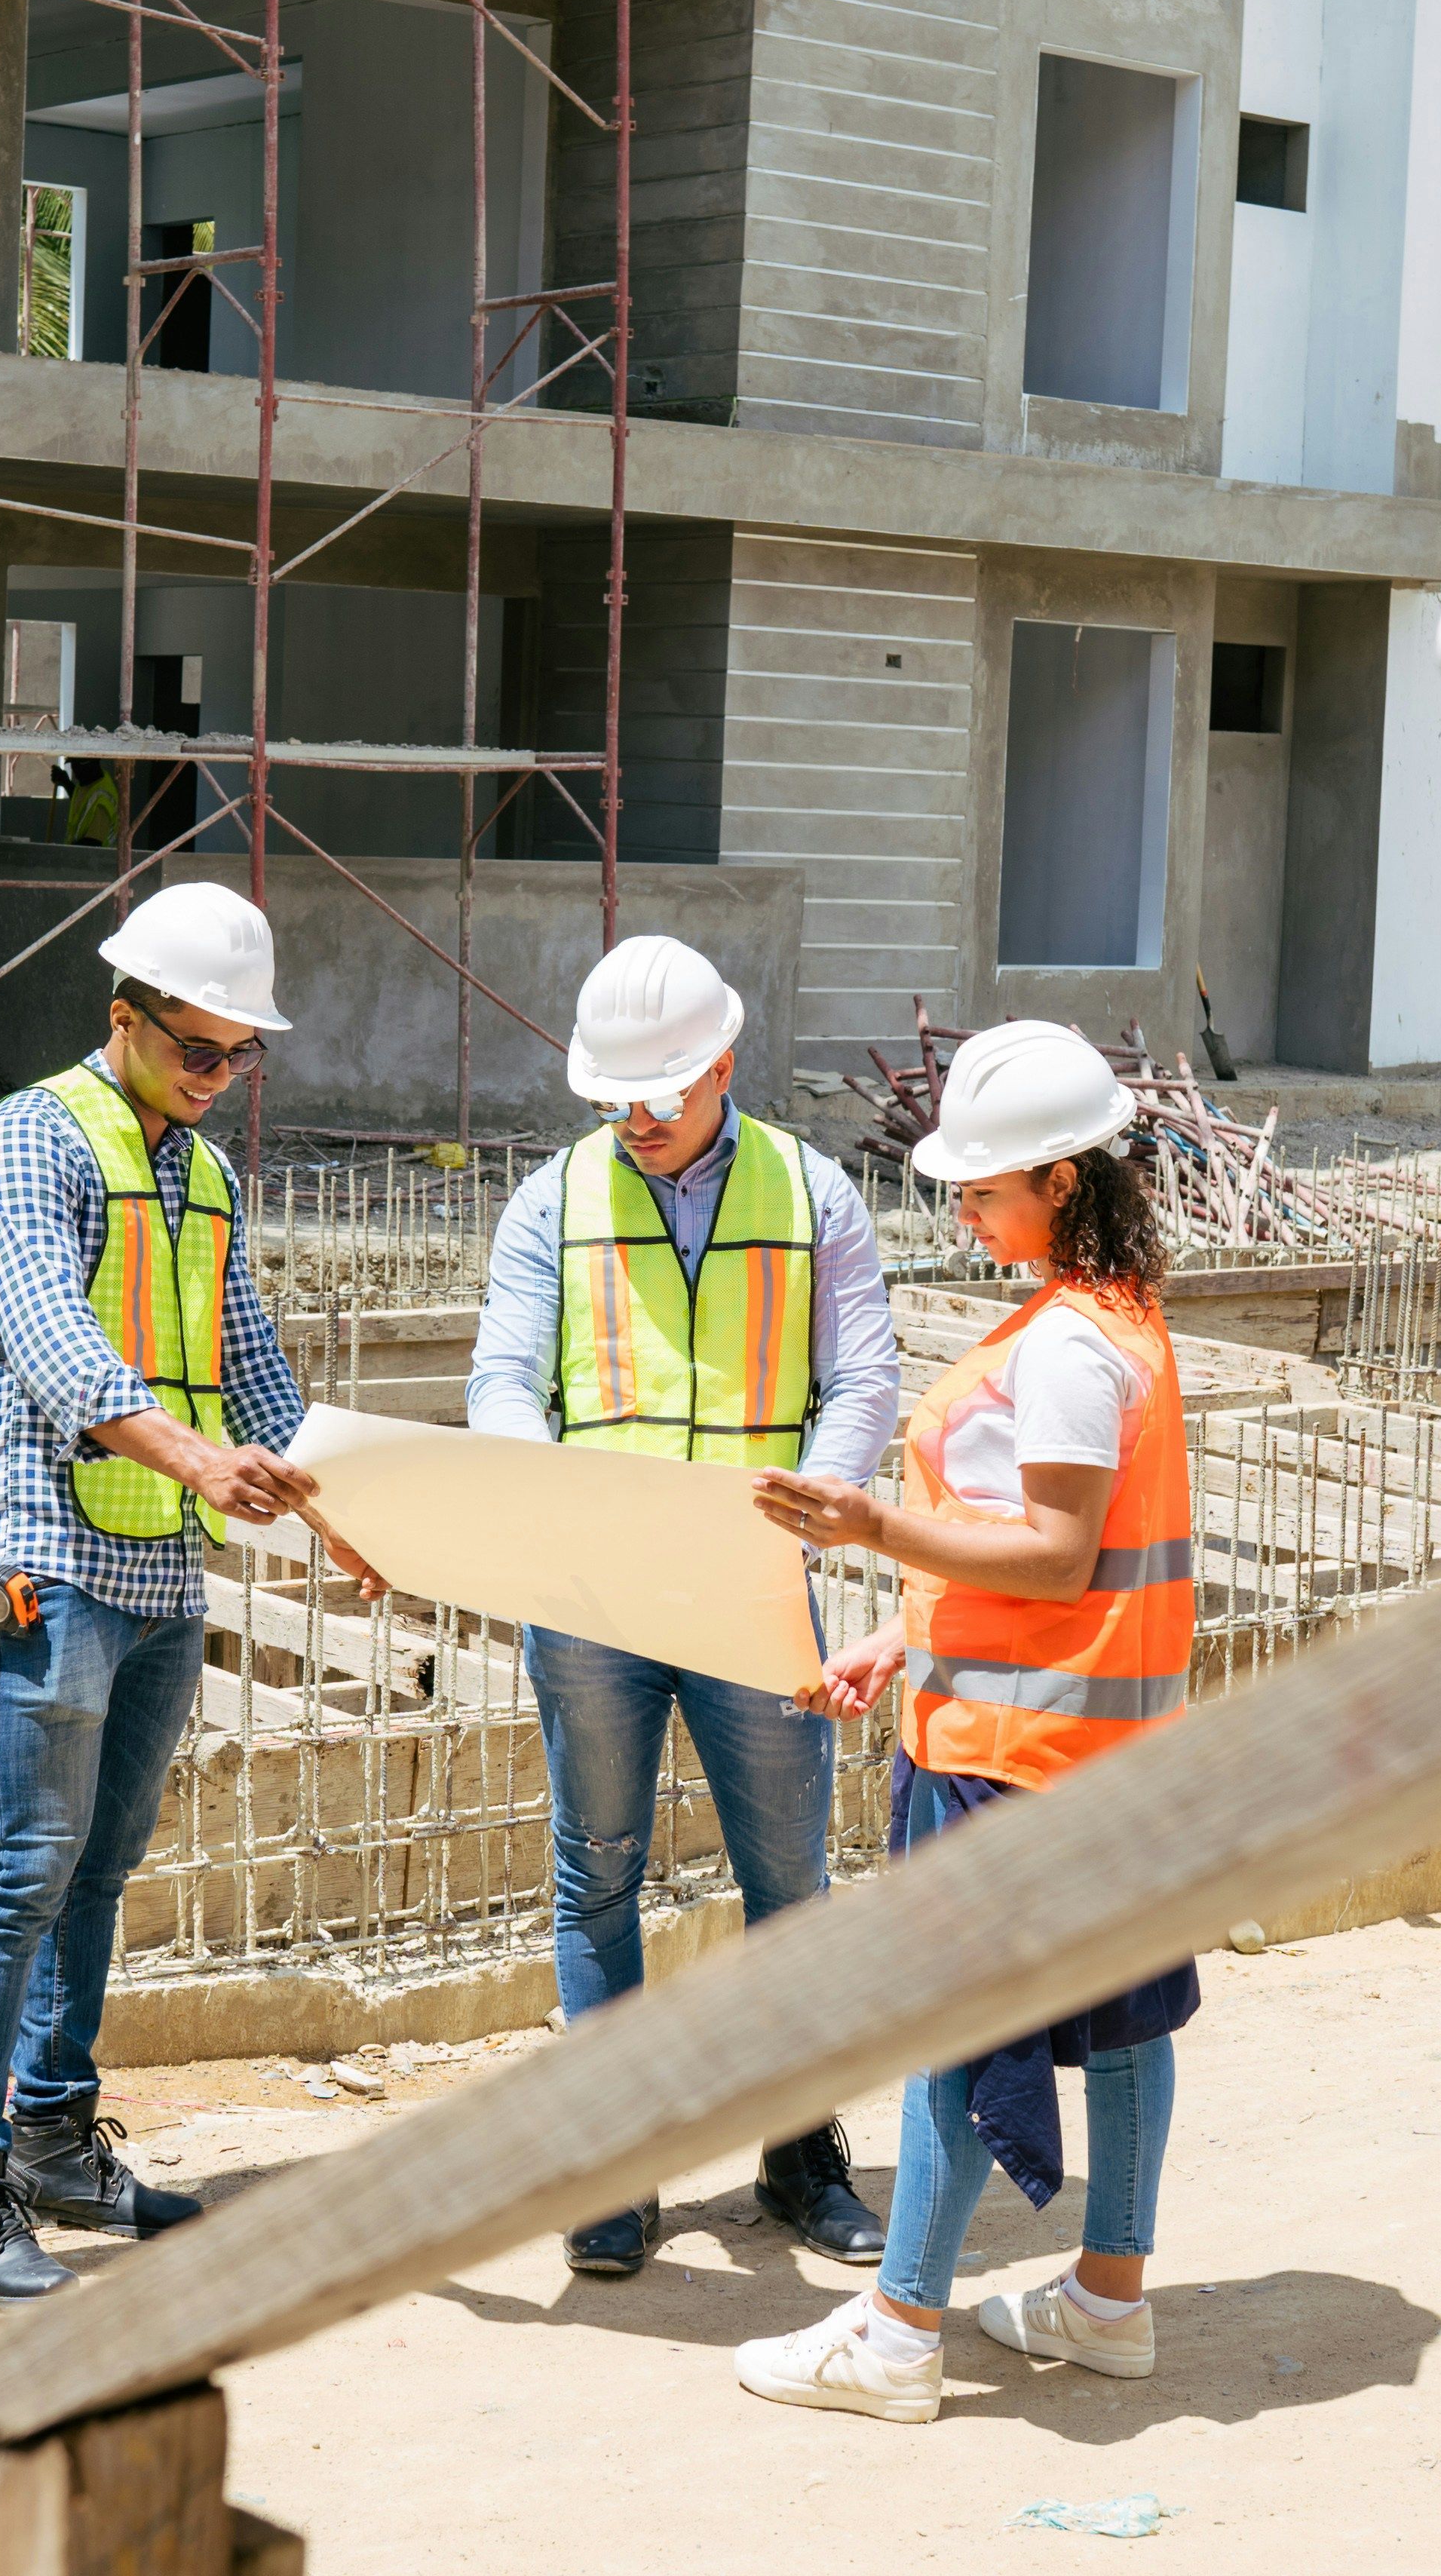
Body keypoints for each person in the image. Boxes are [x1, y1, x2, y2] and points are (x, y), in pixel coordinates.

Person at [0, 879, 378, 2308]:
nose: (221, 1078)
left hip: (158, 1553)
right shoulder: (29, 1142)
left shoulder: (208, 1179)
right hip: (40, 1547)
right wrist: (197, 1458)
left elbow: (253, 1369)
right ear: (126, 1020)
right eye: (199, 1050)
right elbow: (55, 1341)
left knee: (103, 1864)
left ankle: (56, 2139)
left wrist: (355, 1506)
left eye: (243, 1056)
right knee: (22, 1865)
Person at [726, 1018, 1195, 2421]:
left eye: (984, 1189)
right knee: (1122, 2027)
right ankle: (1108, 2304)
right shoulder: (1121, 1315)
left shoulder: (1060, 1349)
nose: (964, 1210)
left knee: (953, 2033)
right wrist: (899, 1628)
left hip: (1012, 1758)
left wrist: (876, 1522)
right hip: (1113, 1753)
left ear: (1061, 1180)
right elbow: (1058, 1552)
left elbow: (1053, 1550)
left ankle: (896, 2335)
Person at [462, 932, 905, 2276]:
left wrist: (815, 1509)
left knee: (790, 1883)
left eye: (656, 1094)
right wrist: (536, 1487)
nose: (634, 1121)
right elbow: (502, 1378)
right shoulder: (553, 1200)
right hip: (594, 1592)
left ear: (722, 1064)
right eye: (613, 1097)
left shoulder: (812, 1192)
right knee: (595, 1874)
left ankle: (796, 2150)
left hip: (749, 1583)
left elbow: (865, 1376)